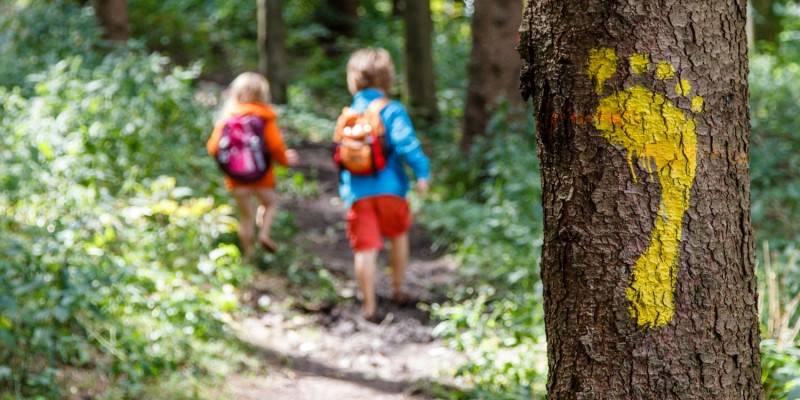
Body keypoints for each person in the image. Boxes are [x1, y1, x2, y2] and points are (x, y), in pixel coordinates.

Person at [337, 48, 431, 321]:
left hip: (358, 193)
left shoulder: (349, 114)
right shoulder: (391, 109)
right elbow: (406, 144)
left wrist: (347, 191)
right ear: (388, 78)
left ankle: (369, 306)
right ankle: (398, 289)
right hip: (392, 189)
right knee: (398, 235)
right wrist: (422, 173)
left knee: (365, 249)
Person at [206, 72, 298, 261]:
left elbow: (213, 147)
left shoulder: (227, 118)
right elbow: (275, 146)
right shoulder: (265, 117)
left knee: (245, 216)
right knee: (269, 203)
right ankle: (264, 233)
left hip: (236, 180)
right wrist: (286, 160)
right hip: (262, 177)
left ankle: (248, 254)